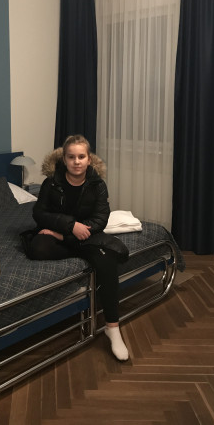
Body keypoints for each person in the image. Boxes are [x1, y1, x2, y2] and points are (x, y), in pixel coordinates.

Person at [25, 134, 129, 361]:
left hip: (86, 236)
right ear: (64, 159)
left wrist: (64, 235)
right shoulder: (51, 183)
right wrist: (69, 227)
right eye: (71, 157)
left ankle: (112, 328)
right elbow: (39, 213)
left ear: (89, 159)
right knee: (37, 247)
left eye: (81, 156)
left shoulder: (97, 185)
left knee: (106, 261)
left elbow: (100, 219)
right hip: (71, 236)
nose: (76, 161)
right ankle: (73, 246)